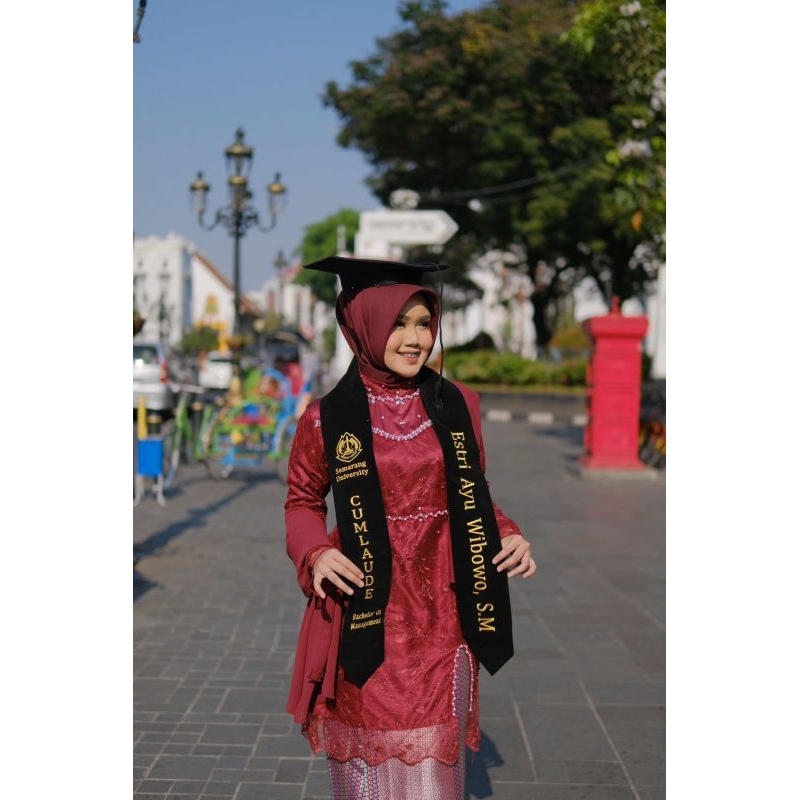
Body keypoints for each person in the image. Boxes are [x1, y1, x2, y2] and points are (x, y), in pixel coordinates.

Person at [284, 256, 536, 799]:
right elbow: (302, 502)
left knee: (432, 777)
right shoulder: (325, 418)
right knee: (370, 775)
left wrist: (508, 532)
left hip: (445, 617)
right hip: (367, 617)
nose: (415, 338)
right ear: (364, 324)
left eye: (424, 323)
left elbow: (473, 493)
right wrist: (316, 553)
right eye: (398, 323)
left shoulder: (458, 404)